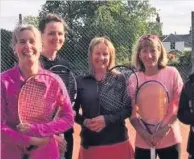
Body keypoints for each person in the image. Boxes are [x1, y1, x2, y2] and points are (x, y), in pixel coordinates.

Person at [1, 24, 74, 159]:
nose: (28, 46)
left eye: (32, 41)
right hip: (11, 154)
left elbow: (68, 118)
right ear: (14, 48)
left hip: (47, 153)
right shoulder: (3, 81)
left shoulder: (54, 81)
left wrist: (38, 130)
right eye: (22, 42)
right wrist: (32, 140)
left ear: (41, 46)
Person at [74, 37, 134, 159]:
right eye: (97, 53)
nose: (101, 57)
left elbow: (128, 109)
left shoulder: (120, 79)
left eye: (105, 54)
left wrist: (107, 119)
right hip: (91, 144)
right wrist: (84, 121)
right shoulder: (80, 81)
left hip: (118, 142)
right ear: (91, 55)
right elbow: (72, 111)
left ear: (111, 56)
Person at [129, 34, 184, 159]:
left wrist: (163, 130)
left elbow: (178, 104)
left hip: (170, 138)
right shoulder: (133, 79)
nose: (149, 55)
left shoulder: (172, 73)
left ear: (160, 51)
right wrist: (144, 134)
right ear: (139, 54)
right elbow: (132, 113)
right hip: (143, 141)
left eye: (153, 50)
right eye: (144, 51)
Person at [38, 13, 73, 159]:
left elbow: (69, 104)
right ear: (41, 36)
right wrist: (51, 136)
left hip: (65, 136)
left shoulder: (66, 66)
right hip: (39, 139)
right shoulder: (33, 64)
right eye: (51, 33)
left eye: (60, 33)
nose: (56, 37)